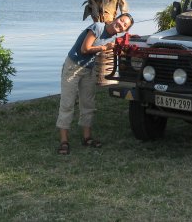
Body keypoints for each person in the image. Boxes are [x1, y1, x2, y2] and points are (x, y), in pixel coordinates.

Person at [56, 13, 134, 155]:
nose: (121, 24)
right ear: (116, 18)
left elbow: (127, 42)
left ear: (124, 30)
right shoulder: (98, 27)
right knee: (67, 103)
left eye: (125, 25)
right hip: (73, 66)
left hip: (89, 69)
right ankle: (64, 141)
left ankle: (87, 138)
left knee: (88, 104)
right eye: (121, 20)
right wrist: (104, 48)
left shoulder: (115, 37)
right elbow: (84, 49)